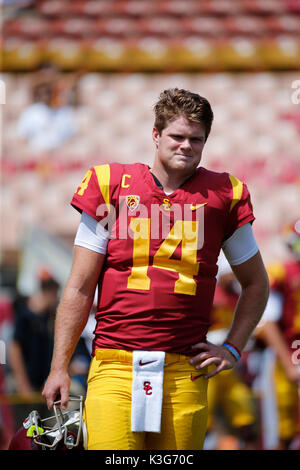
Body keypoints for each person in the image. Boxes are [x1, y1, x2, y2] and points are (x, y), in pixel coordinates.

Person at [42, 88, 269, 450]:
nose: (186, 145)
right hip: (115, 361)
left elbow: (257, 284)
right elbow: (80, 286)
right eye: (177, 136)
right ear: (156, 134)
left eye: (196, 139)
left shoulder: (225, 194)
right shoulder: (111, 185)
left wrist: (233, 348)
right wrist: (59, 366)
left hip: (185, 368)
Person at [255, 219, 300, 450]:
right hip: (288, 356)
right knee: (282, 431)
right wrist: (289, 364)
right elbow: (267, 323)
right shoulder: (282, 272)